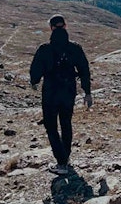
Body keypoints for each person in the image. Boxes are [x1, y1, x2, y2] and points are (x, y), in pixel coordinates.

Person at [30, 14, 92, 176]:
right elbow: (84, 70)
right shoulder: (75, 48)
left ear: (51, 28)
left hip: (50, 92)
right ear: (65, 26)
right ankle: (66, 158)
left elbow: (35, 72)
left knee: (51, 126)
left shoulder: (45, 49)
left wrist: (34, 82)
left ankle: (61, 162)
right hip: (68, 91)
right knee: (66, 123)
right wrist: (87, 92)